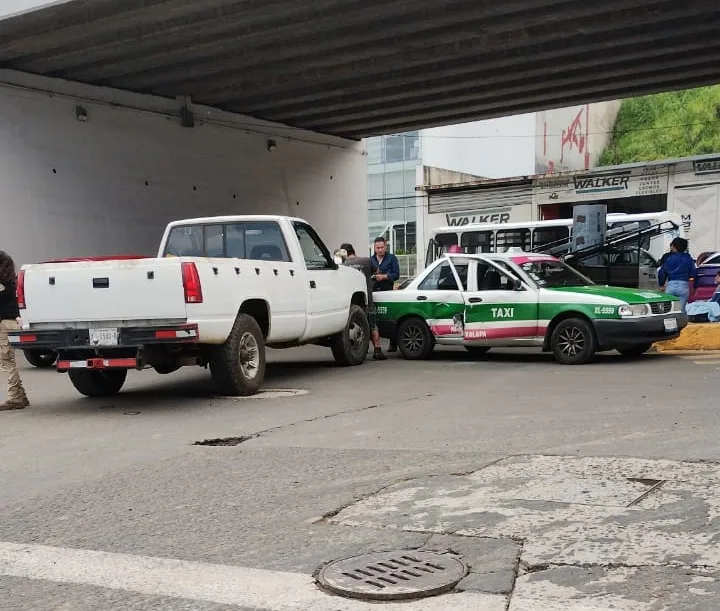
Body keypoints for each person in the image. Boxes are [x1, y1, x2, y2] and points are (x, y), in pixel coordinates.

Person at [336, 244, 387, 361]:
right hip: (367, 299)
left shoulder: (344, 265)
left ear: (344, 253)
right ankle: (378, 350)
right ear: (354, 251)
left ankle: (358, 348)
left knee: (356, 326)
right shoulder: (366, 261)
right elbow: (377, 271)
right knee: (373, 325)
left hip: (352, 303)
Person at [0, 251, 29, 410]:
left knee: (7, 362)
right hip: (12, 322)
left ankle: (15, 397)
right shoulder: (12, 282)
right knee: (9, 360)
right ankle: (22, 396)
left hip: (4, 324)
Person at [370, 237, 400, 351]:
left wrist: (384, 277)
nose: (380, 250)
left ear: (385, 247)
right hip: (374, 291)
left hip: (387, 291)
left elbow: (396, 274)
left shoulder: (391, 258)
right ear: (374, 247)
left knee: (390, 316)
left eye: (382, 247)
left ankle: (393, 343)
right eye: (378, 248)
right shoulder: (371, 259)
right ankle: (376, 345)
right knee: (376, 318)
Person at [657, 237, 697, 313]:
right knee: (681, 310)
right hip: (683, 285)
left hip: (671, 285)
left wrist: (661, 284)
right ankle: (682, 323)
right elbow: (694, 273)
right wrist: (694, 286)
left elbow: (662, 272)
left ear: (674, 246)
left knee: (669, 310)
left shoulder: (669, 258)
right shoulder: (688, 259)